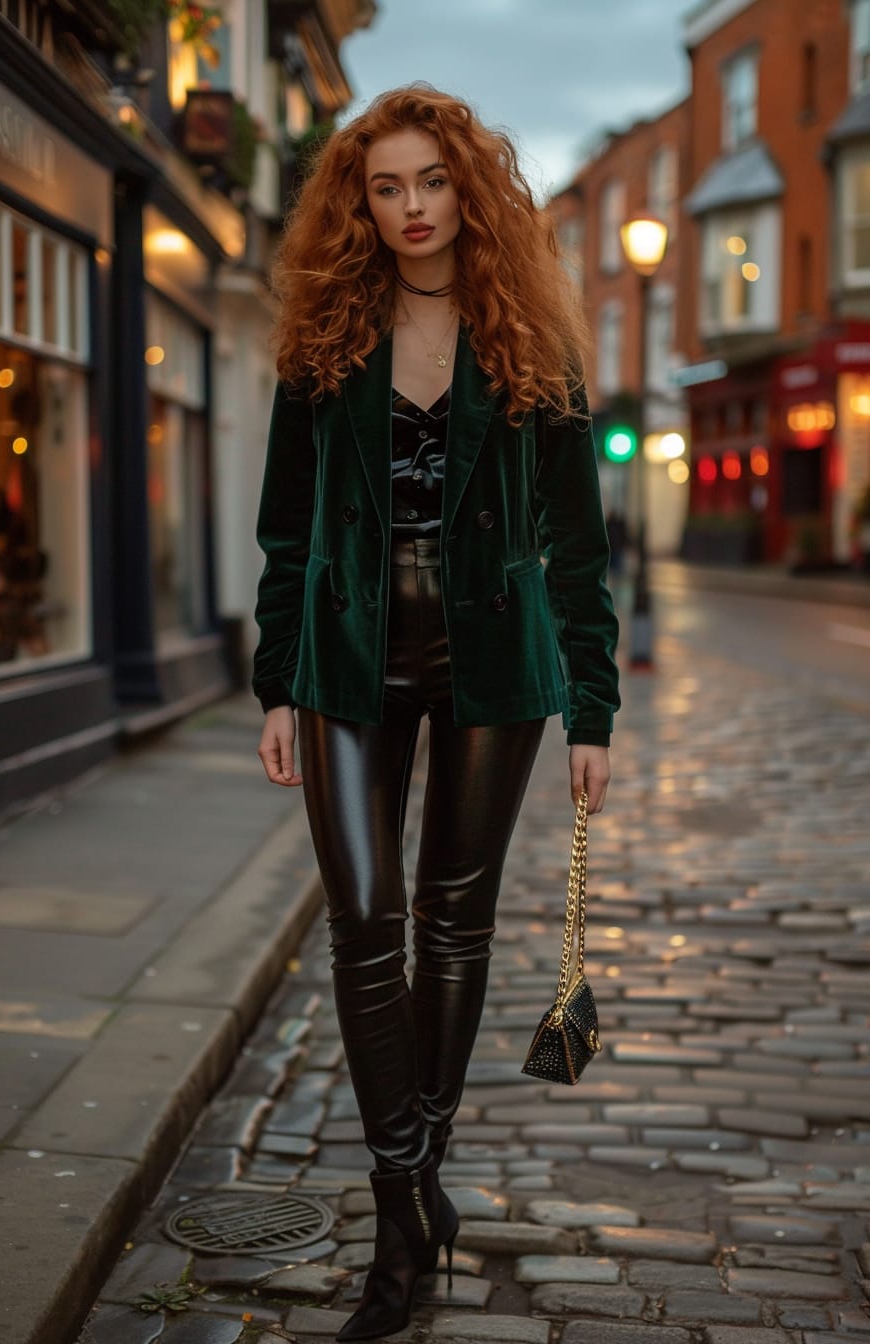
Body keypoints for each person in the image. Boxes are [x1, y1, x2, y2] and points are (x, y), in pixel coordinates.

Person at [253, 85, 620, 1342]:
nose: (410, 209)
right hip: (347, 656)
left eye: (431, 183)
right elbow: (284, 525)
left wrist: (592, 708)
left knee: (452, 925)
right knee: (364, 921)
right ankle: (407, 1195)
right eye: (385, 187)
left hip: (492, 668)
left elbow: (578, 543)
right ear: (360, 203)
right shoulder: (326, 333)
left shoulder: (534, 339)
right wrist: (274, 681)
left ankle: (399, 1230)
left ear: (470, 189)